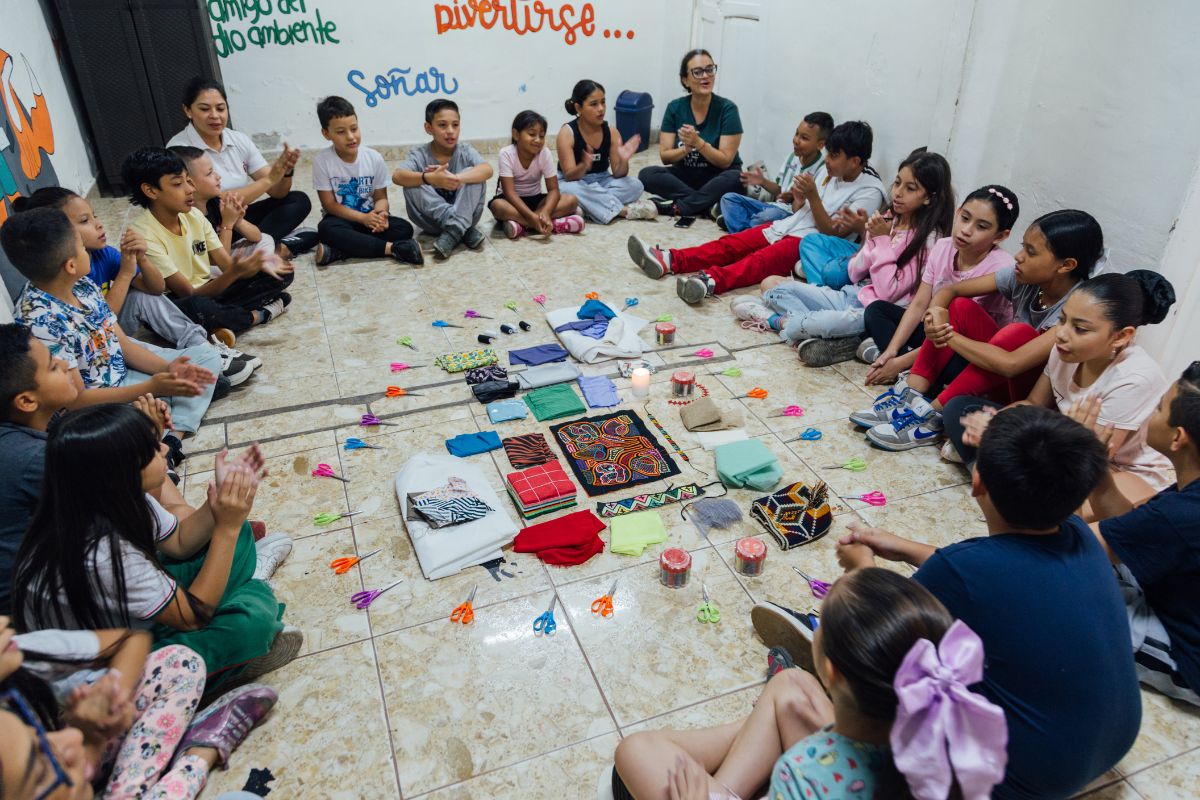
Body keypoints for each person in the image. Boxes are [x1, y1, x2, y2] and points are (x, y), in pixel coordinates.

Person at [795, 406, 1140, 798]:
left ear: (976, 482)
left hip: (1026, 780)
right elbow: (993, 577)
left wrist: (862, 569)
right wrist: (905, 548)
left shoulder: (962, 571)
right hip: (1112, 743)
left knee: (882, 680)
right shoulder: (1078, 531)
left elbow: (876, 625)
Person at [613, 569, 1007, 800]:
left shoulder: (800, 774)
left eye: (820, 619)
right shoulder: (951, 738)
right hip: (864, 756)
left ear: (831, 672)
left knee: (634, 751)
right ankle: (745, 751)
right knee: (791, 686)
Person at [12, 404, 300, 693]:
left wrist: (218, 507)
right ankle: (250, 599)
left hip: (141, 617)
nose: (164, 449)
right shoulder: (100, 553)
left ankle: (244, 590)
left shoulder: (112, 496)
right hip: (112, 667)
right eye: (151, 449)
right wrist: (227, 526)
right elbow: (192, 617)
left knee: (235, 535)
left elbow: (178, 542)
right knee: (249, 627)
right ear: (121, 472)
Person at [853, 209, 1105, 451]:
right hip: (992, 372)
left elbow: (1011, 364)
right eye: (1022, 246)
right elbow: (950, 291)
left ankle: (931, 417)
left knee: (1017, 334)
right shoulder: (1024, 277)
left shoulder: (1074, 309)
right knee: (960, 307)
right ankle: (912, 393)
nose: (1018, 256)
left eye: (1031, 252)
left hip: (1025, 398)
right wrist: (938, 313)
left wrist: (948, 334)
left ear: (1066, 265)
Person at [944, 272, 1176, 509]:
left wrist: (1001, 436)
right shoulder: (1064, 348)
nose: (1062, 333)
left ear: (1121, 336)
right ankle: (998, 479)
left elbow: (1088, 460)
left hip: (1111, 470)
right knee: (959, 410)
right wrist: (995, 422)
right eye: (1062, 320)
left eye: (1080, 328)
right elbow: (1033, 403)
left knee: (1071, 511)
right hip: (1066, 442)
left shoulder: (1134, 378)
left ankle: (995, 476)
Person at [2, 207, 222, 435]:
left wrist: (169, 370)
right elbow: (76, 400)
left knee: (207, 356)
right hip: (98, 402)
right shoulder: (40, 321)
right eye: (81, 247)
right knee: (135, 422)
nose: (87, 251)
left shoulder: (82, 284)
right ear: (70, 265)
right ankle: (176, 432)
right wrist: (151, 387)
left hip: (125, 374)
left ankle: (174, 409)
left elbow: (123, 344)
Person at [2, 618, 278, 799]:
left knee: (179, 662)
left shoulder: (21, 654)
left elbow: (130, 639)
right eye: (37, 771)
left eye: (37, 735)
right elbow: (190, 612)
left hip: (79, 777)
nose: (3, 620)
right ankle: (197, 755)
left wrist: (104, 714)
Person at [13, 186, 256, 387]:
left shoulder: (101, 255)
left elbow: (155, 288)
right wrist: (126, 273)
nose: (99, 224)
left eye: (95, 216)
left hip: (115, 335)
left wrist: (141, 258)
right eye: (85, 221)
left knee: (146, 298)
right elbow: (99, 327)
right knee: (194, 309)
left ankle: (204, 348)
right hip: (101, 347)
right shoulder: (61, 277)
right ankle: (205, 362)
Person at [732, 151, 954, 368]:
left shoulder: (929, 239)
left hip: (872, 313)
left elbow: (888, 294)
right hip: (853, 294)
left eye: (910, 188)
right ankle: (817, 335)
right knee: (771, 284)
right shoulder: (892, 221)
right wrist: (870, 240)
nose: (898, 192)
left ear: (929, 197)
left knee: (823, 321)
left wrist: (883, 241)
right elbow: (855, 273)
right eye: (897, 183)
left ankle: (776, 321)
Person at [628, 121, 885, 303]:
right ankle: (671, 259)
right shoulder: (829, 173)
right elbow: (799, 209)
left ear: (855, 161)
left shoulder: (870, 191)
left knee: (757, 262)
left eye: (835, 155)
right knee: (732, 243)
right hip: (790, 225)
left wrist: (812, 196)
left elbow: (831, 232)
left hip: (810, 243)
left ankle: (709, 282)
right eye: (828, 153)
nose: (827, 160)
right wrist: (798, 198)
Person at [1079, 364, 1200, 706]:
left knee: (1056, 598)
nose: (1152, 412)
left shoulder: (1179, 516)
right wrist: (1099, 473)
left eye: (1159, 407)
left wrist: (1070, 458)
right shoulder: (1184, 496)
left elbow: (1065, 551)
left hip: (1184, 649)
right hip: (1172, 592)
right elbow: (1130, 528)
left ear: (1178, 437)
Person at [125, 147, 296, 337]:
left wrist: (251, 267)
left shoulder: (194, 215)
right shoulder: (143, 234)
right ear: (150, 190)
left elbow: (226, 265)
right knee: (198, 307)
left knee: (281, 272)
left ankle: (223, 321)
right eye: (177, 184)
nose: (190, 189)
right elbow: (188, 293)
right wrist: (234, 273)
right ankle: (257, 315)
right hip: (180, 302)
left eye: (188, 181)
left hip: (210, 288)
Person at [860, 185, 1021, 386]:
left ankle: (895, 361)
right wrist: (892, 351)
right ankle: (894, 359)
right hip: (934, 332)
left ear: (1000, 236)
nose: (966, 230)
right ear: (958, 212)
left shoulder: (1000, 268)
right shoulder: (943, 246)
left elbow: (956, 335)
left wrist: (899, 363)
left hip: (965, 346)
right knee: (877, 310)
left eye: (981, 227)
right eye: (965, 218)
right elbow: (919, 305)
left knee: (955, 367)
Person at [167, 76, 315, 258]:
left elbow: (278, 192)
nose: (215, 115)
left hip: (237, 218)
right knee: (310, 235)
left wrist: (285, 172)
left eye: (220, 108)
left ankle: (261, 250)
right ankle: (271, 250)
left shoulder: (238, 140)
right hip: (205, 224)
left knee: (298, 200)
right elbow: (215, 202)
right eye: (205, 109)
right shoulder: (179, 150)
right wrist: (269, 179)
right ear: (188, 110)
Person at [0, 325, 78, 613]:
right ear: (27, 401)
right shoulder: (34, 458)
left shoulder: (36, 433)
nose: (67, 365)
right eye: (53, 367)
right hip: (33, 610)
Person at [311, 96, 424, 267]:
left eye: (354, 128)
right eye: (341, 132)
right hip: (341, 219)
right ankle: (394, 249)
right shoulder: (322, 161)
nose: (351, 137)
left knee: (404, 229)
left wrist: (381, 214)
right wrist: (362, 218)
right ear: (326, 134)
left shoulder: (374, 158)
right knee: (325, 230)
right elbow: (329, 205)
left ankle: (339, 251)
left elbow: (381, 198)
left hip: (370, 220)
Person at [638, 49, 744, 218]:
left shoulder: (727, 109)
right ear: (685, 80)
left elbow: (725, 161)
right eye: (698, 72)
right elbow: (665, 157)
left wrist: (698, 143)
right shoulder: (675, 107)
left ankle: (680, 207)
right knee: (647, 174)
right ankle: (707, 205)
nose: (705, 76)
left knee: (736, 178)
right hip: (687, 175)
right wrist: (686, 149)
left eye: (710, 69)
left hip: (719, 176)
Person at [392, 99, 493, 259]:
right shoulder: (420, 154)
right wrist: (429, 178)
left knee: (473, 174)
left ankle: (454, 230)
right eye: (442, 125)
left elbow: (487, 170)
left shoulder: (465, 150)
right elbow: (397, 176)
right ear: (428, 128)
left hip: (469, 217)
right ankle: (459, 228)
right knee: (413, 181)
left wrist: (457, 178)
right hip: (431, 222)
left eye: (455, 125)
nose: (450, 131)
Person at [555, 79, 657, 225]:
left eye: (603, 102)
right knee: (570, 189)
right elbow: (569, 176)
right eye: (594, 104)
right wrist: (583, 166)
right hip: (574, 181)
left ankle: (587, 207)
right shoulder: (567, 133)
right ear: (578, 108)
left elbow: (618, 173)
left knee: (635, 185)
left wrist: (623, 159)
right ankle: (624, 211)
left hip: (602, 180)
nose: (601, 108)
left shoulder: (611, 131)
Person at [717, 112, 832, 233]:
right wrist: (763, 181)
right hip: (775, 206)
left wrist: (794, 198)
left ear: (820, 144)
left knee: (766, 216)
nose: (796, 140)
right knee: (729, 199)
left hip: (790, 213)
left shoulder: (822, 169)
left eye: (804, 138)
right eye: (796, 134)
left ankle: (739, 224)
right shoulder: (792, 157)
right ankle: (747, 228)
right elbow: (780, 190)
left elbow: (811, 208)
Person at [488, 110, 584, 239]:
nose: (538, 140)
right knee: (497, 206)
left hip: (536, 200)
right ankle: (550, 223)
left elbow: (554, 190)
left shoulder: (545, 154)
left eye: (542, 135)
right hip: (511, 202)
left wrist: (545, 211)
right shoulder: (506, 154)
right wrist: (533, 217)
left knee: (571, 200)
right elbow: (509, 193)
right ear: (516, 134)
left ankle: (522, 225)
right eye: (532, 134)